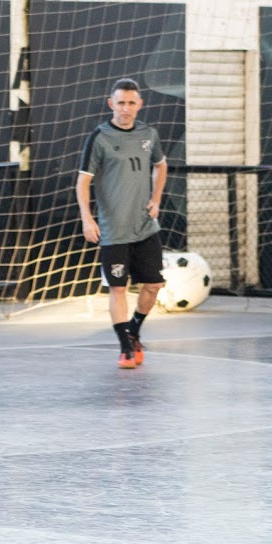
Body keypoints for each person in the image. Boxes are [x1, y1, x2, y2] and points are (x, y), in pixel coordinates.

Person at [76, 77, 167, 369]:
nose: (125, 108)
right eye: (120, 103)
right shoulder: (99, 137)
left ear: (139, 105)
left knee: (153, 285)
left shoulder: (149, 134)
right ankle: (126, 347)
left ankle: (135, 330)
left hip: (144, 227)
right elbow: (83, 181)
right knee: (117, 288)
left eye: (131, 103)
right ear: (111, 104)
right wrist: (87, 218)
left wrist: (156, 197)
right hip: (114, 230)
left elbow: (161, 165)